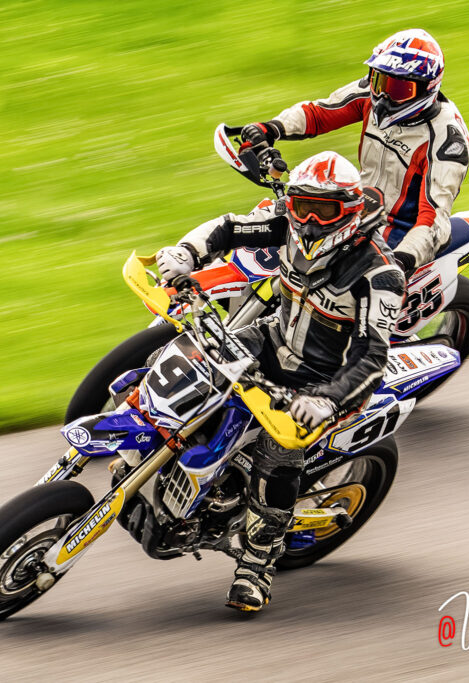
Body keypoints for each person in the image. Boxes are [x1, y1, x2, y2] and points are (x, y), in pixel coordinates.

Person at [156, 151, 404, 611]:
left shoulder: (379, 275)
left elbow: (373, 357)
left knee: (278, 458)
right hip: (269, 341)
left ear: (348, 211)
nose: (309, 219)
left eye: (323, 210)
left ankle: (255, 567)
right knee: (177, 356)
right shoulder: (289, 224)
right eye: (301, 205)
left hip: (322, 383)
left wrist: (327, 401)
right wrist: (185, 254)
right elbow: (230, 227)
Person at [237, 28, 469, 278]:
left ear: (427, 88)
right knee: (266, 222)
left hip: (396, 233)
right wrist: (272, 128)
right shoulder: (371, 92)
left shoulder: (446, 141)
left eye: (399, 90)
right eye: (380, 81)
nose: (382, 96)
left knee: (330, 294)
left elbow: (433, 220)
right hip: (353, 206)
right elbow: (319, 112)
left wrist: (401, 262)